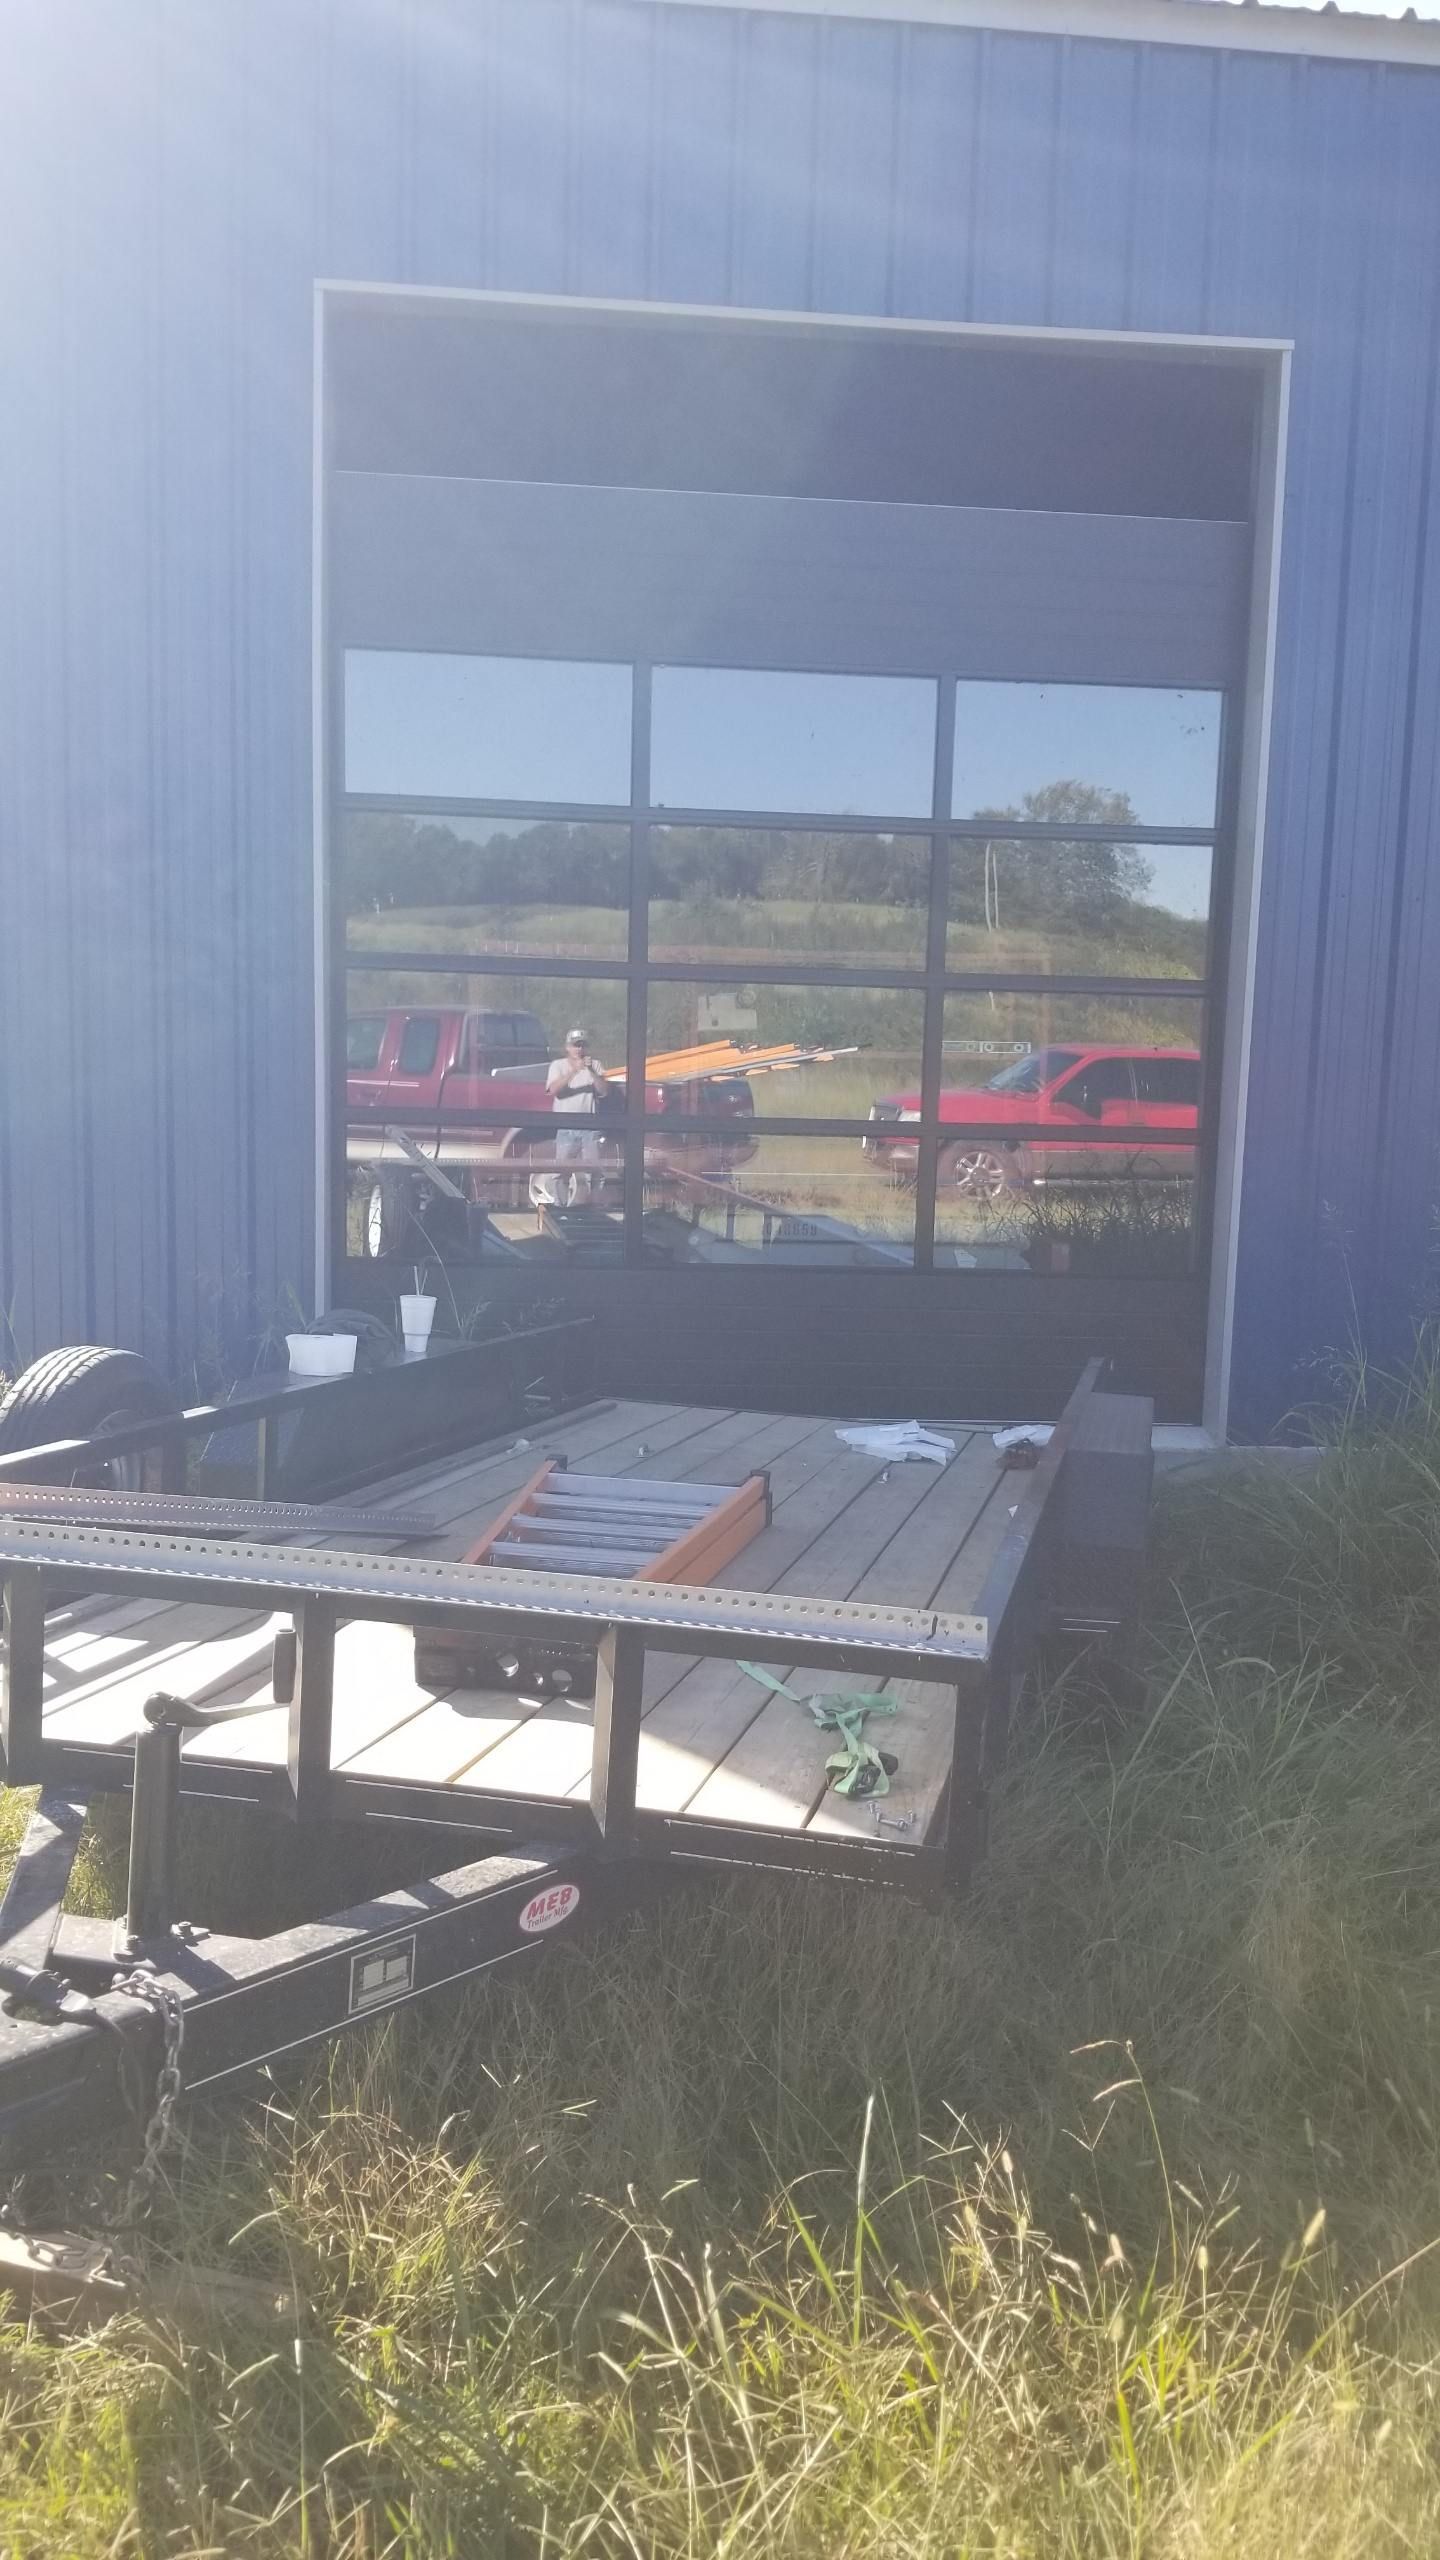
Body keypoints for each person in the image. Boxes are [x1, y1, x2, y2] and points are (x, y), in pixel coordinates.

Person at [533, 1027, 610, 1208]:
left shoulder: (596, 1065)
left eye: (582, 1045)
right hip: (566, 1126)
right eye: (576, 1045)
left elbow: (604, 1091)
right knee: (561, 1171)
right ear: (567, 1047)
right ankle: (560, 1207)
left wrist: (591, 1071)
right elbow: (552, 1090)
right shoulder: (558, 1065)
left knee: (595, 1172)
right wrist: (573, 1071)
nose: (579, 1049)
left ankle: (594, 1209)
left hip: (590, 1126)